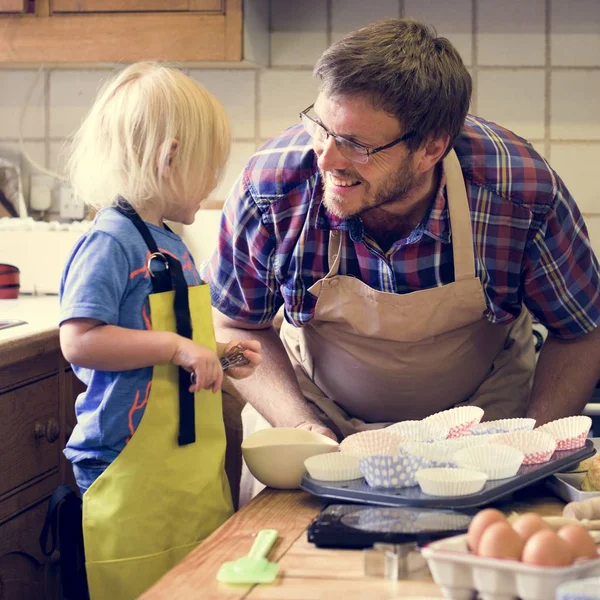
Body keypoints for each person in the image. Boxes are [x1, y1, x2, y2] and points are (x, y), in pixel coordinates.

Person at [202, 17, 600, 450]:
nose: (328, 159)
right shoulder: (272, 189)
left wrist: (534, 448)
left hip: (486, 422)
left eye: (357, 144)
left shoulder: (519, 193)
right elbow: (235, 325)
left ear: (430, 148)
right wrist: (300, 428)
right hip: (315, 412)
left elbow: (581, 332)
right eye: (321, 127)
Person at [58, 62, 262, 599]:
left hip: (181, 466)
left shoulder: (167, 242)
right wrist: (177, 347)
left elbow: (152, 335)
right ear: (171, 157)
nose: (215, 179)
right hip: (125, 465)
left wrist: (215, 353)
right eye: (209, 165)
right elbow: (80, 339)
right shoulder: (111, 241)